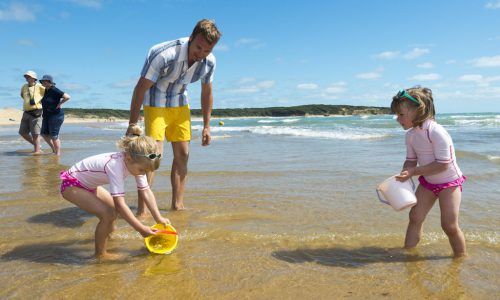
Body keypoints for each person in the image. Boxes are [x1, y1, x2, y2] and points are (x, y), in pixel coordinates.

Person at [126, 19, 222, 211]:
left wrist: (207, 126)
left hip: (180, 102)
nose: (201, 55)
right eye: (198, 48)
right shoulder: (163, 54)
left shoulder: (209, 62)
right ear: (191, 37)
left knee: (184, 154)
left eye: (207, 51)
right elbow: (140, 89)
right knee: (153, 156)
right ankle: (142, 211)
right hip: (155, 102)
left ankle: (177, 205)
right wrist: (132, 124)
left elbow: (207, 93)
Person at [60, 125, 169, 260]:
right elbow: (120, 205)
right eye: (142, 170)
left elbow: (146, 191)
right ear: (129, 159)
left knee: (113, 213)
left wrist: (158, 217)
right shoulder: (115, 166)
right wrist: (140, 228)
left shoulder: (137, 162)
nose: (143, 174)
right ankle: (100, 254)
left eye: (146, 171)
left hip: (89, 185)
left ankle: (109, 236)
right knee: (108, 214)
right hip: (72, 185)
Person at [391, 86, 467, 258]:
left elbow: (443, 165)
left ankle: (461, 257)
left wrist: (414, 171)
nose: (397, 119)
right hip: (428, 182)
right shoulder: (410, 135)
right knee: (415, 217)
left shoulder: (436, 132)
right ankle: (408, 252)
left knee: (449, 225)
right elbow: (411, 160)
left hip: (449, 183)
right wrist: (405, 171)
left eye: (401, 114)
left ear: (419, 111)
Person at [39, 75, 70, 156]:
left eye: (45, 81)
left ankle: (57, 154)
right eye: (42, 81)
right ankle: (54, 149)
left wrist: (60, 103)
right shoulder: (46, 90)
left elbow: (67, 97)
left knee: (54, 136)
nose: (43, 82)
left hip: (56, 116)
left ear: (50, 82)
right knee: (44, 134)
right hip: (46, 116)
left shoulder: (54, 90)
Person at [19, 70, 45, 154]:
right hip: (26, 112)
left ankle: (37, 152)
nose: (26, 78)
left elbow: (47, 94)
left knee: (35, 134)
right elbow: (22, 95)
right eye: (26, 76)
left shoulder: (40, 86)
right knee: (22, 132)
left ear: (34, 78)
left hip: (36, 112)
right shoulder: (24, 86)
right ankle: (37, 146)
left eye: (28, 76)